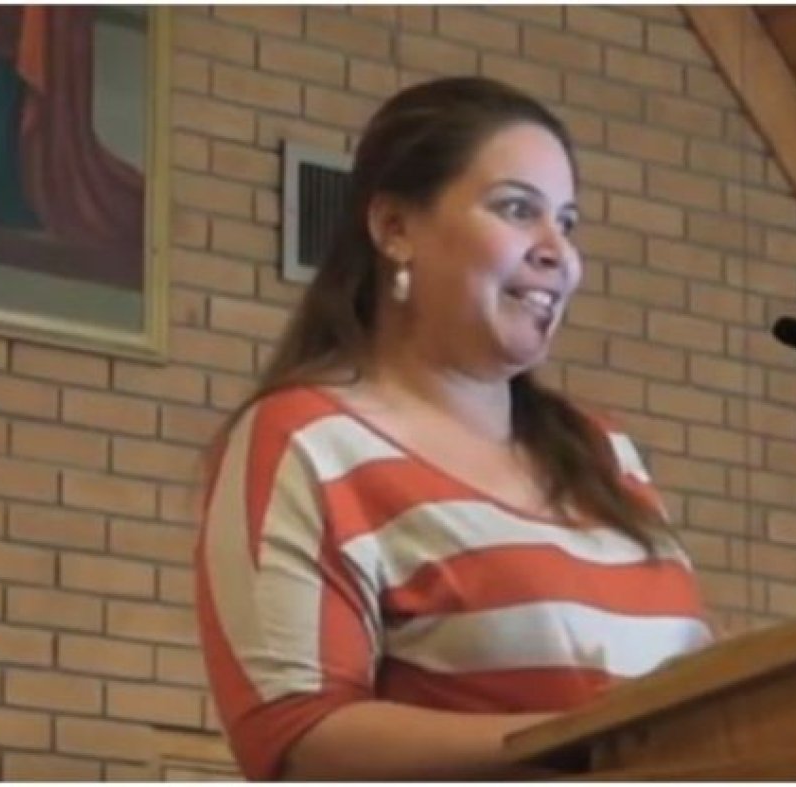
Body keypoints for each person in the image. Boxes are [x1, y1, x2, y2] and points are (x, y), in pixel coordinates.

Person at [195, 76, 712, 781]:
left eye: (566, 222)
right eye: (516, 209)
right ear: (395, 229)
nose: (557, 251)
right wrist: (585, 745)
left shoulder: (603, 452)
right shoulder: (308, 440)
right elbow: (299, 735)